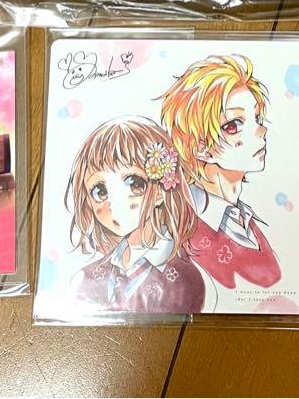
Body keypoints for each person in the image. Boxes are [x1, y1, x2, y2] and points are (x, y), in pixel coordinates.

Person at [159, 54, 280, 289]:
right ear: (200, 148)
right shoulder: (179, 231)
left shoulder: (250, 221)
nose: (261, 130)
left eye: (257, 118)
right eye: (233, 125)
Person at [66, 117, 205, 313]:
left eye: (134, 183)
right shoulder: (84, 280)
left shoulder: (186, 279)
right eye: (100, 191)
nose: (114, 203)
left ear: (160, 190)